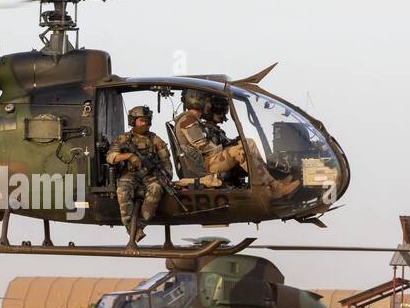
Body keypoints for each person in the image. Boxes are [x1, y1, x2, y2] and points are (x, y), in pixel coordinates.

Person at [173, 90, 298, 199]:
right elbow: (205, 148)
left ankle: (272, 180)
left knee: (249, 143)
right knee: (240, 152)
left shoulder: (192, 119)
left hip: (207, 160)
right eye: (207, 102)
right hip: (204, 165)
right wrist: (229, 148)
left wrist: (231, 145)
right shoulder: (187, 120)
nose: (209, 105)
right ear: (197, 101)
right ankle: (275, 188)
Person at [106, 104, 172, 241]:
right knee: (123, 190)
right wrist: (129, 156)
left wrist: (167, 177)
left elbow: (166, 161)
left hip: (150, 174)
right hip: (130, 174)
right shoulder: (124, 139)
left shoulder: (155, 140)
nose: (145, 123)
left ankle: (138, 226)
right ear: (133, 121)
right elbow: (111, 157)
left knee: (157, 188)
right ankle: (133, 229)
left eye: (147, 120)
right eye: (141, 120)